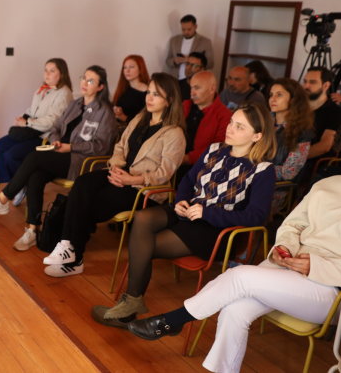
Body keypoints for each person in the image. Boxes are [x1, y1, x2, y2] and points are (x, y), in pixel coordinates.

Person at [127, 118, 341, 373]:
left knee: (239, 277)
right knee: (234, 310)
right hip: (289, 267)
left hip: (334, 289)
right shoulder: (325, 185)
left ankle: (174, 320)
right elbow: (292, 225)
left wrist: (317, 265)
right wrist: (284, 249)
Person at [91, 102, 277, 326]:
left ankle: (129, 307)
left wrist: (208, 213)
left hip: (215, 230)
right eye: (231, 122)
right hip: (188, 211)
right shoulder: (214, 150)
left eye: (239, 126)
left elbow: (256, 216)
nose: (230, 128)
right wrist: (181, 200)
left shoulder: (263, 170)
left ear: (257, 136)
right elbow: (188, 181)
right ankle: (131, 304)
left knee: (145, 245)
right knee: (142, 217)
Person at [42, 73, 186, 277]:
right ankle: (66, 245)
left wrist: (132, 179)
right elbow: (119, 147)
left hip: (144, 189)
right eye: (148, 92)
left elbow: (165, 173)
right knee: (82, 183)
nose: (149, 98)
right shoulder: (139, 119)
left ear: (169, 100)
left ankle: (75, 258)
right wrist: (117, 167)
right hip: (120, 174)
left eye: (156, 94)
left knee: (91, 202)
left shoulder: (174, 133)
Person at [0, 66, 118, 252]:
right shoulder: (75, 104)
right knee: (36, 176)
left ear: (100, 87)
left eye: (91, 81)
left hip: (81, 161)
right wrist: (56, 141)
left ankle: (3, 198)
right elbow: (55, 127)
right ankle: (33, 231)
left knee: (34, 156)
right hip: (61, 153)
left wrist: (71, 147)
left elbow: (101, 147)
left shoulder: (105, 112)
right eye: (84, 78)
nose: (85, 83)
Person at [0, 58, 73, 204]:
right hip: (30, 132)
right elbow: (32, 111)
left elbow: (52, 122)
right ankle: (17, 185)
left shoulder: (63, 93)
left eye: (52, 71)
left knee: (11, 155)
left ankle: (18, 185)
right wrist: (21, 118)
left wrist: (28, 122)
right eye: (46, 70)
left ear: (62, 73)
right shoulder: (41, 90)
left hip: (44, 137)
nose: (47, 74)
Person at [176, 71, 232, 186]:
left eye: (197, 88)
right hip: (174, 163)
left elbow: (218, 148)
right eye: (191, 87)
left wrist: (187, 158)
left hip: (202, 171)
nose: (192, 93)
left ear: (212, 89)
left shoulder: (224, 115)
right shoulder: (185, 106)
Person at [268, 78, 315, 213]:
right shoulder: (262, 121)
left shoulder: (302, 131)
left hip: (276, 188)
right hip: (250, 179)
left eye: (279, 95)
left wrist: (257, 168)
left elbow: (289, 172)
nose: (272, 99)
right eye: (271, 95)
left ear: (293, 100)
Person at [302, 67, 341, 162]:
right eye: (305, 81)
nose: (306, 86)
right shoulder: (297, 108)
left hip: (314, 163)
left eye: (312, 82)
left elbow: (325, 146)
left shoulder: (336, 112)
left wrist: (294, 159)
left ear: (326, 85)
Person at [165, 14, 214, 80]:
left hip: (195, 80)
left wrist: (191, 60)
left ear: (195, 26)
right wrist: (174, 61)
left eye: (189, 29)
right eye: (183, 29)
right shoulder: (174, 40)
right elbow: (168, 60)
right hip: (176, 79)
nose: (186, 32)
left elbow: (211, 63)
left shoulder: (205, 42)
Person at [113, 55, 150, 125]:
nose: (127, 70)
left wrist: (124, 118)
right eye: (125, 67)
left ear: (140, 70)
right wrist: (115, 110)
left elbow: (147, 118)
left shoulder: (147, 92)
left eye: (131, 67)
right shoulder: (123, 87)